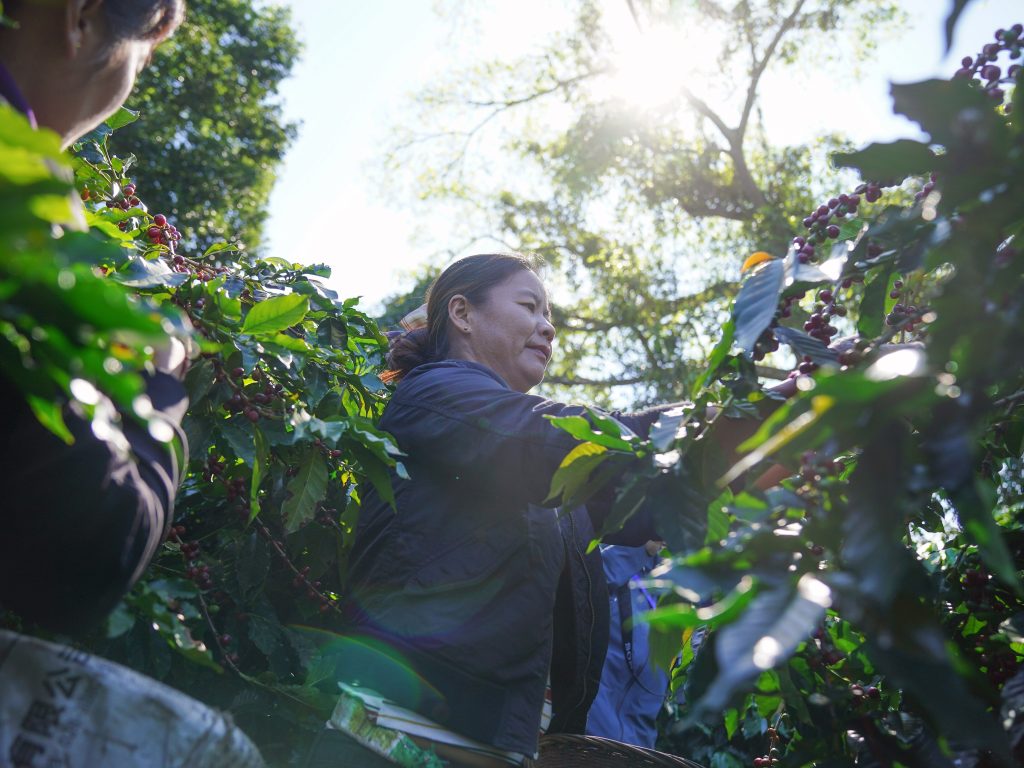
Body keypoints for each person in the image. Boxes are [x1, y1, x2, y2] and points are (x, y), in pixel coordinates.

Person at [308, 253, 791, 767]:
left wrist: (793, 420)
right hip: (388, 744)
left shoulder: (542, 471)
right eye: (529, 306)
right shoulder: (436, 398)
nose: (547, 328)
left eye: (551, 316)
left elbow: (652, 493)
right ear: (463, 313)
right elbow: (575, 441)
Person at [0, 0, 188, 633]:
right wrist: (159, 386)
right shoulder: (19, 218)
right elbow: (87, 562)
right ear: (79, 18)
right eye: (145, 55)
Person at [586, 542, 671, 748]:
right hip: (588, 743)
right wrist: (642, 548)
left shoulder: (669, 580)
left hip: (637, 750)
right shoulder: (610, 554)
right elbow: (585, 581)